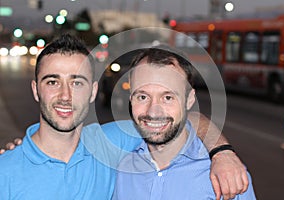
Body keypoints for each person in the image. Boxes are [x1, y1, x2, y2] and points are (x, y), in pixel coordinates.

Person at [0, 34, 247, 200]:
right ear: (35, 90)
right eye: (52, 81)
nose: (65, 95)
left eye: (77, 82)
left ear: (93, 92)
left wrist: (222, 152)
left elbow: (176, 120)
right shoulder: (6, 171)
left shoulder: (111, 142)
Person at [112, 47, 256, 199]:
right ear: (130, 99)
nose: (153, 112)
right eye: (142, 97)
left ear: (189, 100)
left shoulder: (227, 177)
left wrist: (222, 152)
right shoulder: (121, 167)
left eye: (168, 98)